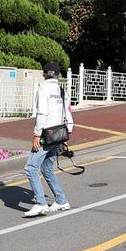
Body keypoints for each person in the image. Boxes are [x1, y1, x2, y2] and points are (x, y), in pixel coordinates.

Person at [23, 62, 75, 217]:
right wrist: (68, 132)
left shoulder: (43, 89)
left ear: (44, 73)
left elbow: (42, 113)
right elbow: (68, 112)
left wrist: (36, 134)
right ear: (58, 75)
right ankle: (61, 200)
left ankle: (40, 203)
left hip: (46, 134)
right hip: (59, 134)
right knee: (46, 168)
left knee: (31, 167)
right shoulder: (62, 90)